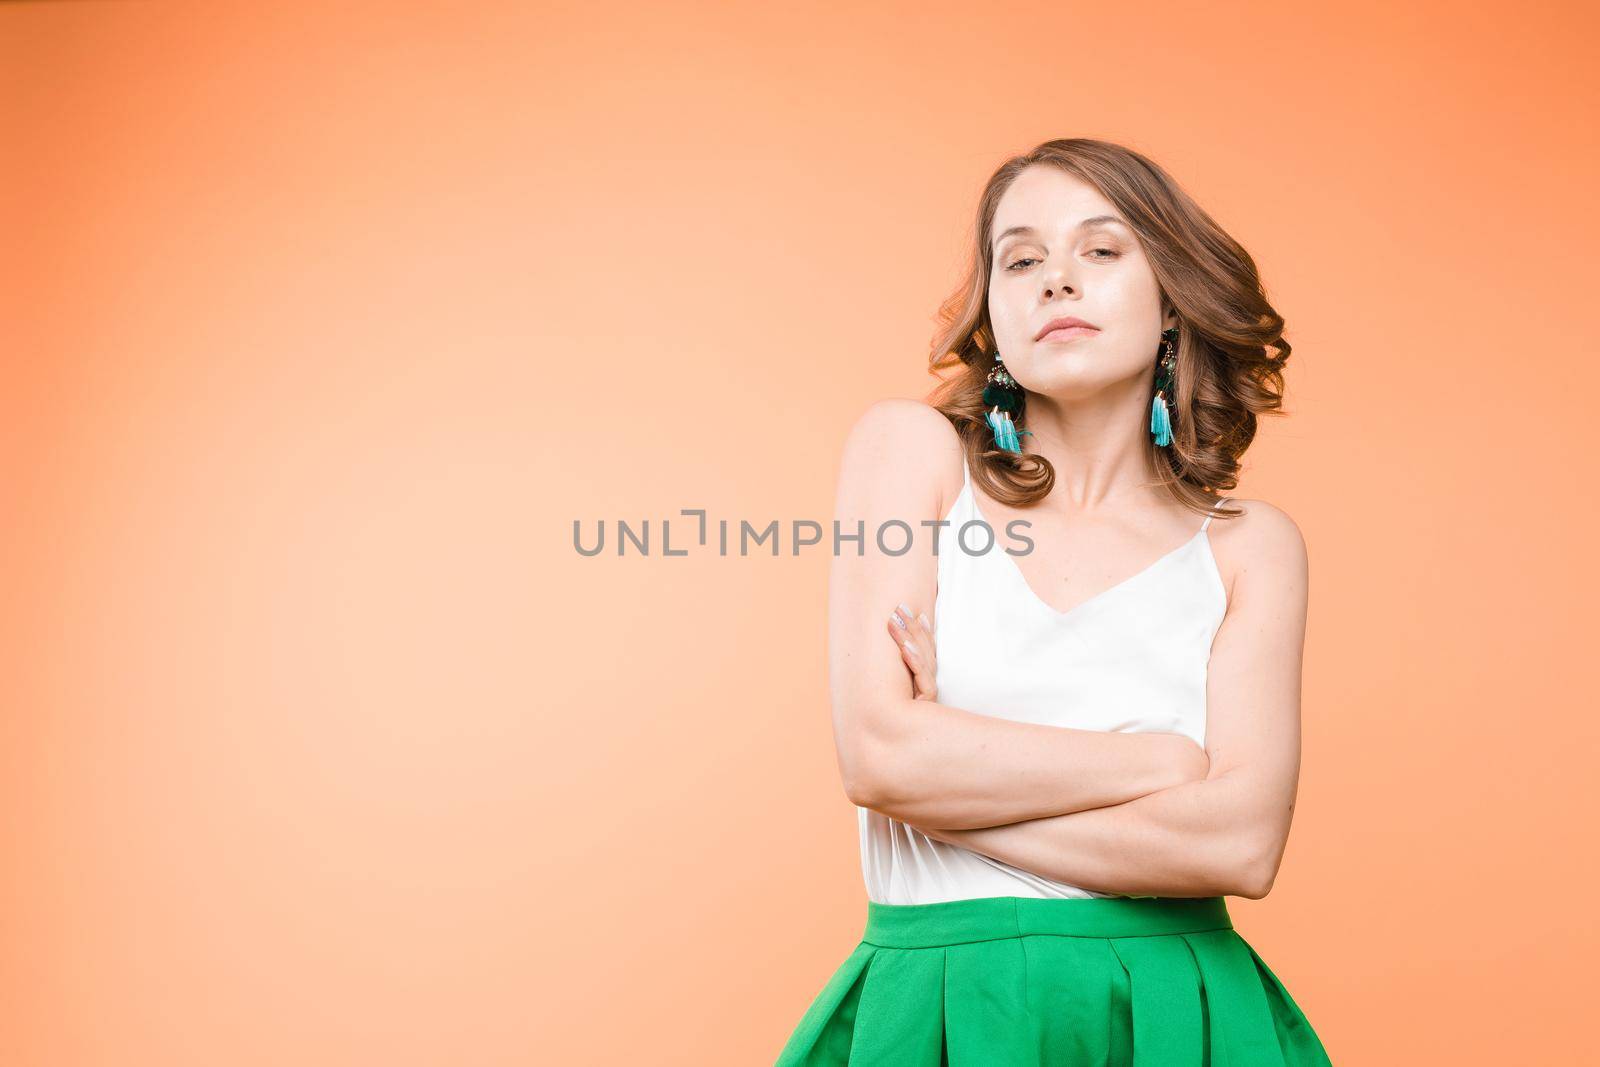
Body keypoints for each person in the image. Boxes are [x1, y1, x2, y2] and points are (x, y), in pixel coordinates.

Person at [774, 138, 1334, 1065]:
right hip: (944, 1006)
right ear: (993, 314)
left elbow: (1239, 846)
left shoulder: (1248, 546)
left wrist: (946, 776)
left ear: (1170, 304)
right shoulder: (908, 454)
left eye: (1102, 251)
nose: (1056, 280)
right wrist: (1160, 760)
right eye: (1022, 258)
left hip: (1178, 1011)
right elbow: (878, 756)